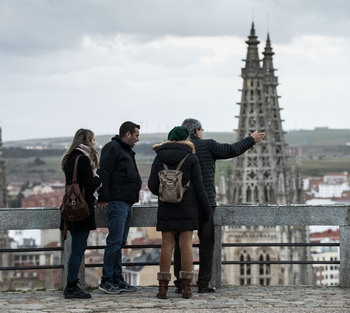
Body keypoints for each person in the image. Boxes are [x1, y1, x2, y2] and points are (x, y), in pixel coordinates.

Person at [174, 118, 265, 293]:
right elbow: (232, 150)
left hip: (182, 204)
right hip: (206, 204)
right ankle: (203, 284)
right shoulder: (208, 145)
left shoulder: (178, 148)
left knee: (181, 245)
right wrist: (252, 139)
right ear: (198, 131)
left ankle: (181, 283)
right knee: (206, 245)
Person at [148, 126, 211, 299]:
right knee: (186, 246)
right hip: (187, 207)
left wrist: (166, 192)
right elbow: (199, 187)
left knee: (167, 245)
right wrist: (206, 209)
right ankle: (186, 288)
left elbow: (153, 185)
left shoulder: (159, 157)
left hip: (166, 207)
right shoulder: (191, 158)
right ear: (186, 139)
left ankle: (162, 288)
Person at [97, 121, 142, 294]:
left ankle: (117, 278)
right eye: (136, 135)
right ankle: (106, 280)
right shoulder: (112, 148)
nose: (138, 139)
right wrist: (103, 196)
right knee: (114, 242)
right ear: (128, 134)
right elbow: (104, 173)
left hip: (126, 202)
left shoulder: (125, 150)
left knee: (119, 242)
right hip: (117, 202)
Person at [60, 128, 101, 299]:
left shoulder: (70, 158)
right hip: (81, 210)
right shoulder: (83, 159)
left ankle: (71, 285)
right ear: (87, 141)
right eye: (93, 140)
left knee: (77, 248)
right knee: (78, 249)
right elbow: (90, 185)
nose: (94, 143)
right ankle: (71, 287)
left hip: (71, 208)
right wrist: (99, 178)